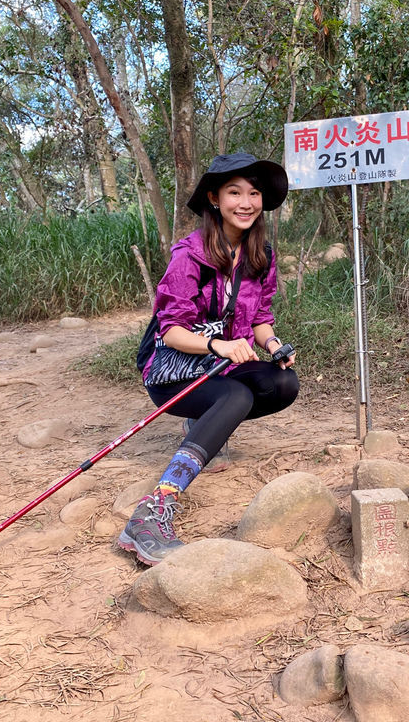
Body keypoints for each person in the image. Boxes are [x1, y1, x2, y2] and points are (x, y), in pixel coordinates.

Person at [118, 153, 299, 565]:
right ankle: (152, 511)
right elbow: (172, 332)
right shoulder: (189, 256)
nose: (246, 202)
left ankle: (202, 426)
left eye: (254, 193)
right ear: (215, 198)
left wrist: (274, 347)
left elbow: (262, 319)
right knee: (236, 396)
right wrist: (218, 345)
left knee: (283, 385)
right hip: (172, 371)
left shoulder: (261, 256)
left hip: (220, 366)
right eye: (235, 192)